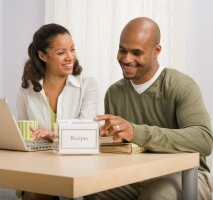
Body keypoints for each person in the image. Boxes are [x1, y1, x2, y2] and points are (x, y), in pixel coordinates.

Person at [86, 17, 213, 200]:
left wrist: (135, 131)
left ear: (157, 51)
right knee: (87, 189)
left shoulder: (181, 85)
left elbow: (203, 140)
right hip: (137, 175)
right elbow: (119, 148)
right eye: (123, 50)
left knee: (157, 194)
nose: (127, 59)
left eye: (136, 53)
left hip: (188, 175)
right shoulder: (114, 92)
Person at [16, 23, 98, 200]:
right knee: (36, 192)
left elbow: (87, 132)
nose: (70, 57)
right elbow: (24, 134)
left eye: (72, 49)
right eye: (61, 53)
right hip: (38, 168)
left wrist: (55, 134)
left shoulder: (87, 85)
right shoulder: (26, 90)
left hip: (76, 167)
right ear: (43, 55)